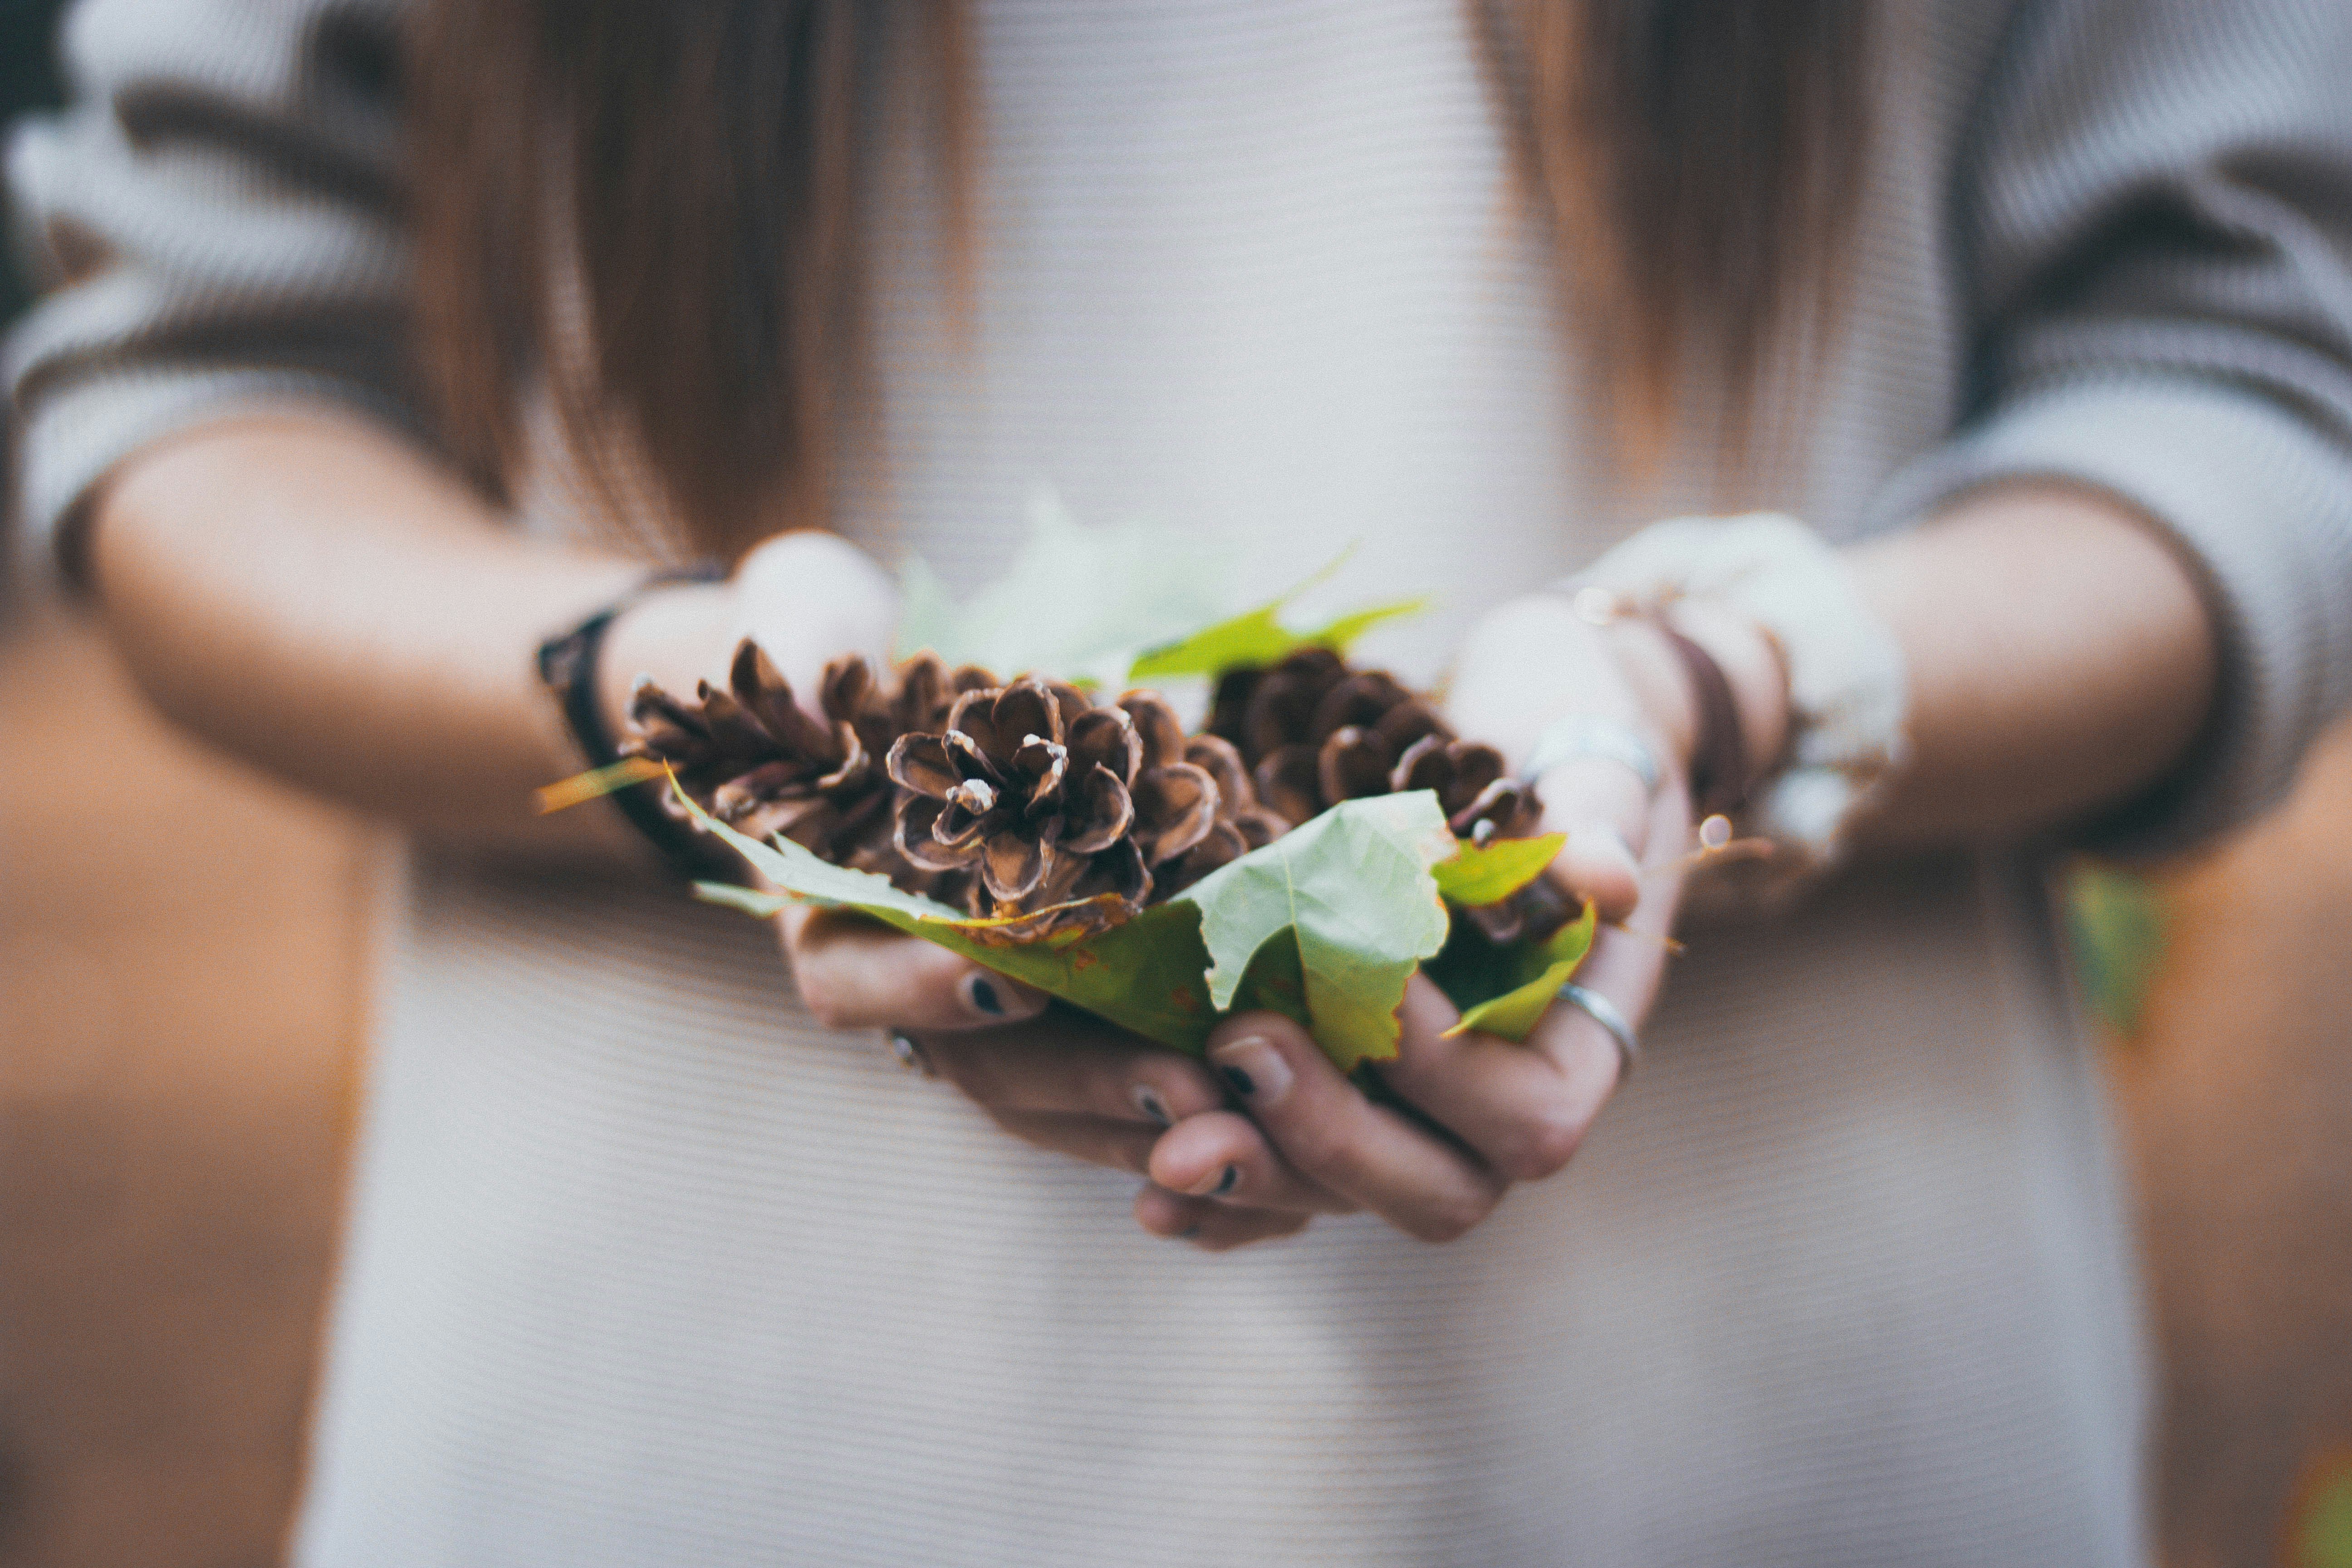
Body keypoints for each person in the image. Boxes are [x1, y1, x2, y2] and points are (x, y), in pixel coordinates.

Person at [9, 0, 2350, 1562]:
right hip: (683, 1440)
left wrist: (1727, 692)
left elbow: (2246, 382)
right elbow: (198, 395)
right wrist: (682, 716)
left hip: (1785, 1442)